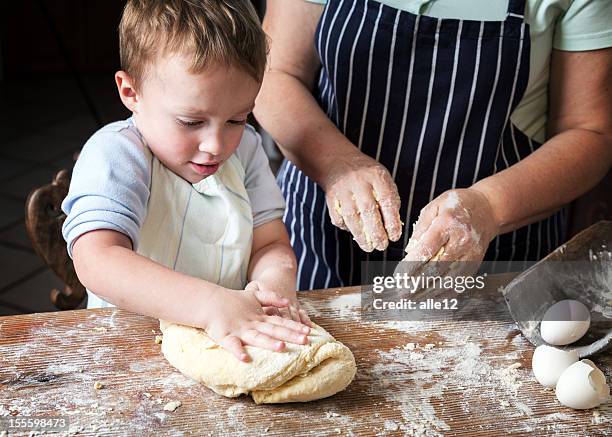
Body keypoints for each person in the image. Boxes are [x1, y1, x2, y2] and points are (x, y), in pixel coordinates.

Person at [254, 0, 612, 290]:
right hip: (323, 235)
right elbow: (273, 72)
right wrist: (335, 163)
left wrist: (488, 206)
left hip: (496, 251)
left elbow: (590, 131)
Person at [61, 0, 312, 362]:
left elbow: (269, 243)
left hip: (225, 347)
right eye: (191, 122)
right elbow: (97, 260)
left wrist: (272, 288)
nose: (216, 145)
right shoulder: (117, 154)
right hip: (127, 354)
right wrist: (210, 305)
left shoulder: (247, 152)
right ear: (131, 92)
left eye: (237, 120)